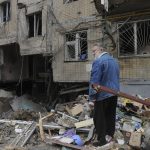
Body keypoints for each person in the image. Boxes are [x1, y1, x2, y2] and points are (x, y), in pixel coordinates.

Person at [88, 43, 120, 147]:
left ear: (101, 49)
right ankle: (109, 136)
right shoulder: (114, 61)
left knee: (99, 118)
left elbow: (94, 81)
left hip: (102, 94)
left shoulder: (98, 61)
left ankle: (102, 140)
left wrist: (92, 98)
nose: (93, 53)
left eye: (94, 51)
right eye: (92, 51)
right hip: (114, 93)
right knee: (110, 115)